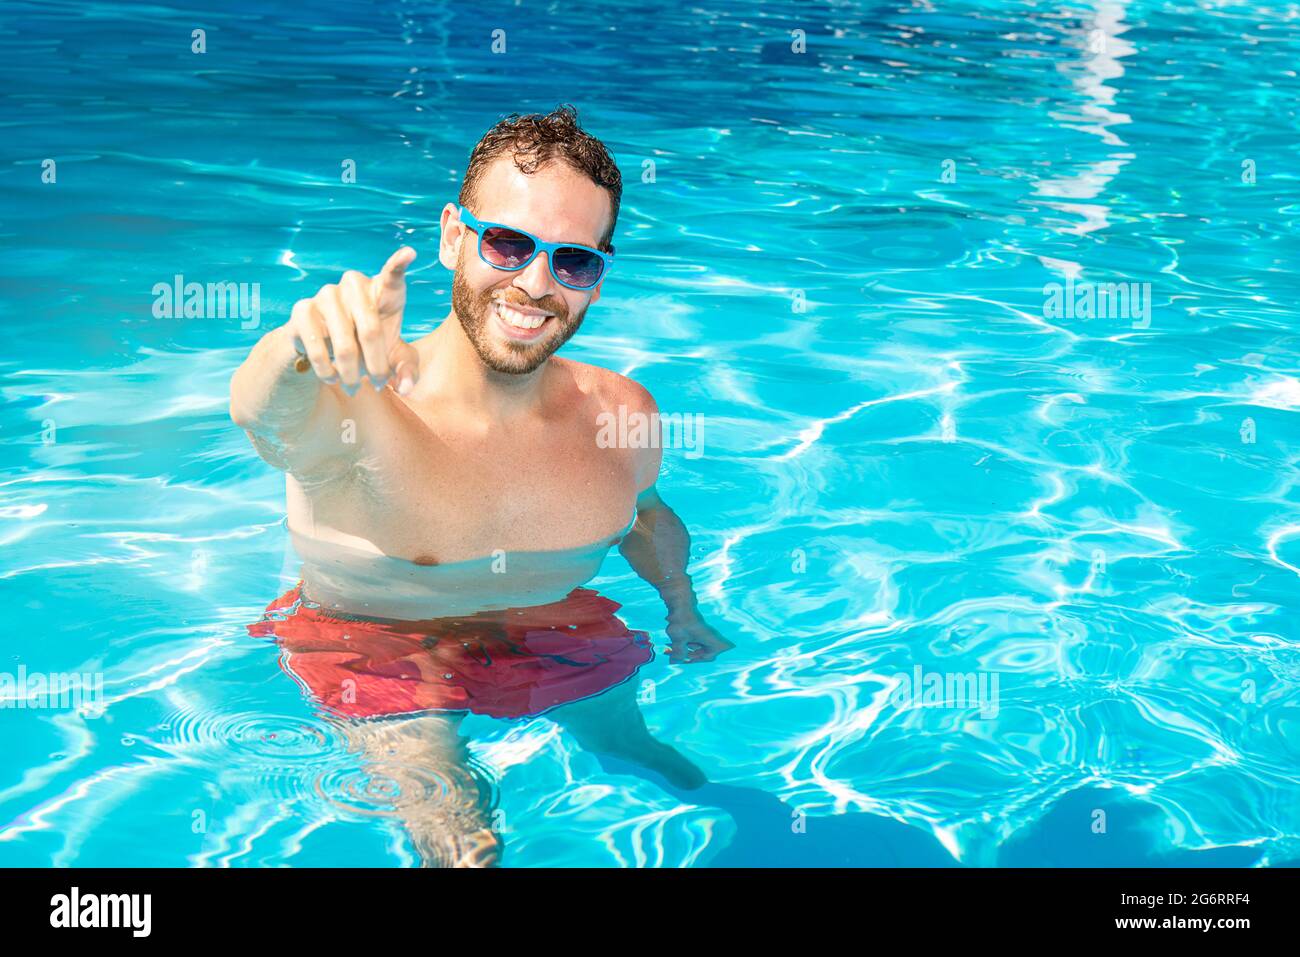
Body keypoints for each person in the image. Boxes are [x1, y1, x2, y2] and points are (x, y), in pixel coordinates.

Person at [231, 105, 733, 866]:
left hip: (549, 624)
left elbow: (646, 516)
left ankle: (626, 745)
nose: (535, 285)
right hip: (375, 642)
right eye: (507, 243)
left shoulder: (622, 414)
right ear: (451, 238)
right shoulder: (358, 403)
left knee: (644, 755)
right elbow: (262, 416)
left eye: (573, 261)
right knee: (464, 841)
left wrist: (681, 606)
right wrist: (297, 343)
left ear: (598, 278)